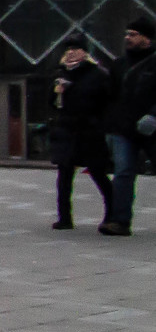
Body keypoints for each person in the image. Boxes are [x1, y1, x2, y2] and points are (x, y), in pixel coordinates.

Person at [49, 38, 113, 231]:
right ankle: (64, 217)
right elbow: (51, 103)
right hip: (66, 130)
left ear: (85, 53)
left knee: (98, 172)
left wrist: (101, 124)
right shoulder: (60, 75)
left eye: (75, 49)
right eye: (68, 50)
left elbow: (107, 102)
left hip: (90, 131)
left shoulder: (98, 75)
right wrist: (57, 93)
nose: (71, 53)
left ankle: (113, 214)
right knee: (64, 174)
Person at [102, 17, 156, 237]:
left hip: (152, 128)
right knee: (123, 173)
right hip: (124, 128)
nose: (128, 38)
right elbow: (111, 98)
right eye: (127, 34)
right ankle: (120, 221)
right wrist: (109, 128)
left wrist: (154, 115)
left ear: (147, 38)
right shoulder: (119, 64)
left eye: (133, 34)